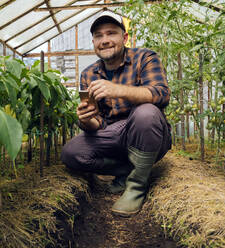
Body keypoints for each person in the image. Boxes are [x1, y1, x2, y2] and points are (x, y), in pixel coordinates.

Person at [61, 11, 172, 217]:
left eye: (111, 33)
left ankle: (136, 186)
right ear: (93, 41)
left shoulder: (145, 58)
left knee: (146, 113)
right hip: (113, 135)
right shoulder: (88, 74)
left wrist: (118, 90)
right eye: (99, 36)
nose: (105, 40)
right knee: (71, 153)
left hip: (147, 133)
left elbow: (162, 94)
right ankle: (128, 169)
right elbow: (98, 124)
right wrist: (86, 120)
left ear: (125, 38)